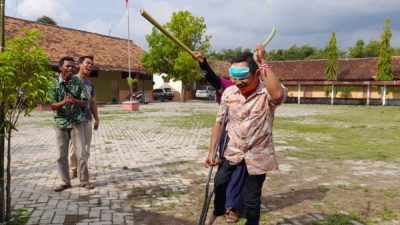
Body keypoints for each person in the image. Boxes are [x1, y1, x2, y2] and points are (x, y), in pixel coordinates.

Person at [205, 44, 286, 225]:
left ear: (256, 74)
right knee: (219, 183)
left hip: (258, 154)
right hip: (233, 150)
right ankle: (218, 210)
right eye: (234, 78)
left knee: (252, 201)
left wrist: (262, 62)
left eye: (243, 78)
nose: (238, 82)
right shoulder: (229, 93)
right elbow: (219, 122)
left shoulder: (266, 93)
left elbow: (279, 95)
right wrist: (211, 152)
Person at [194, 51, 246, 223]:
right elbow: (214, 80)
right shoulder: (226, 87)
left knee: (239, 174)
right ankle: (219, 207)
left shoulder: (254, 85)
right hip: (229, 132)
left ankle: (233, 207)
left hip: (247, 137)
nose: (237, 80)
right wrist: (203, 63)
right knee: (222, 176)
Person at [50, 56, 94, 192]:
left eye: (72, 66)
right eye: (67, 66)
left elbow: (86, 101)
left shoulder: (78, 82)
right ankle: (65, 182)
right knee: (61, 156)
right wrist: (63, 102)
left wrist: (74, 100)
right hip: (60, 124)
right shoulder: (53, 84)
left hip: (76, 122)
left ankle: (84, 181)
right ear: (60, 67)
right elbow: (52, 105)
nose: (70, 68)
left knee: (81, 153)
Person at [69, 55, 99, 180]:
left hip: (87, 119)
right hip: (74, 120)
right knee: (74, 148)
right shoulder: (71, 80)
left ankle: (84, 171)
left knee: (85, 148)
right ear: (80, 64)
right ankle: (73, 170)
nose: (90, 66)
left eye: (92, 65)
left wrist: (97, 118)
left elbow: (92, 102)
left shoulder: (90, 84)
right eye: (87, 63)